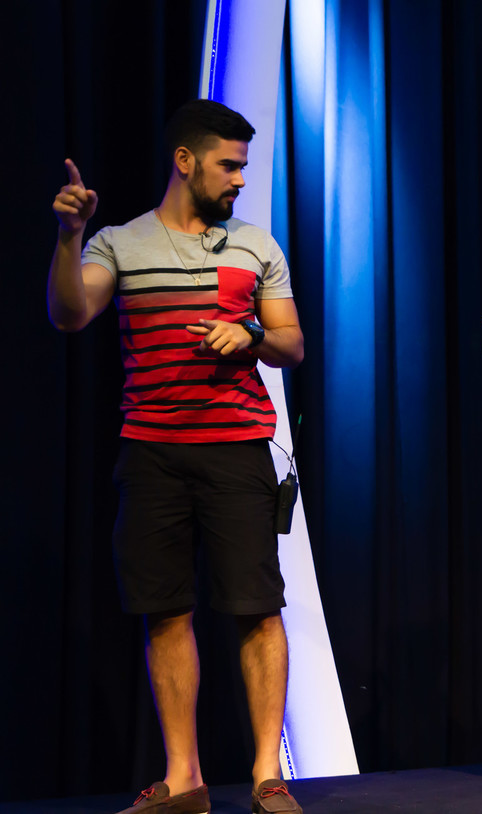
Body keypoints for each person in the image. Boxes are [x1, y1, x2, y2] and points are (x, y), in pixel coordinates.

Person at [48, 99, 305, 813]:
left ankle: (265, 774)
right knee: (166, 610)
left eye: (244, 166)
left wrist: (249, 332)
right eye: (229, 165)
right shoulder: (118, 244)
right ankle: (184, 777)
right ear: (185, 162)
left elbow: (293, 344)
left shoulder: (257, 245)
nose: (240, 180)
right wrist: (70, 237)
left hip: (237, 452)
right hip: (153, 452)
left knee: (257, 607)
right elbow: (70, 314)